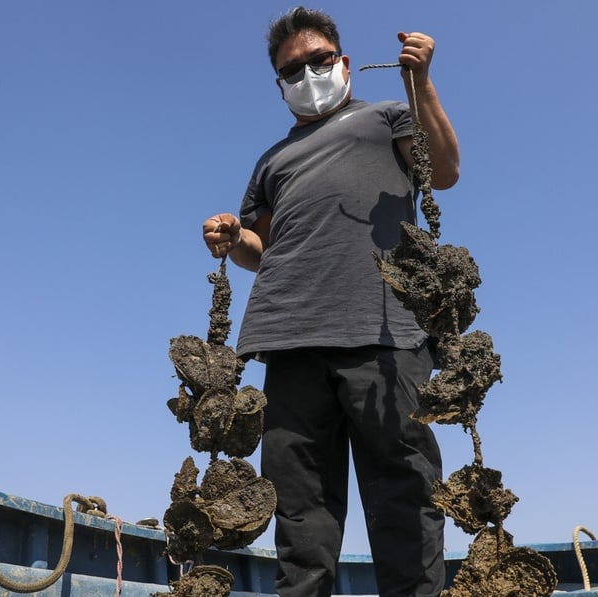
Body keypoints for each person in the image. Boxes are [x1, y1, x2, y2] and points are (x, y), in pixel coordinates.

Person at [201, 7, 460, 596]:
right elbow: (259, 248)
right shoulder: (271, 161)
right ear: (279, 86)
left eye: (317, 61)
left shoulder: (387, 116)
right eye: (291, 70)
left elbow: (443, 171)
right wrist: (232, 237)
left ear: (343, 62)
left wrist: (420, 83)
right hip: (287, 338)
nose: (307, 75)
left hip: (385, 333)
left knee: (406, 496)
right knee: (301, 515)